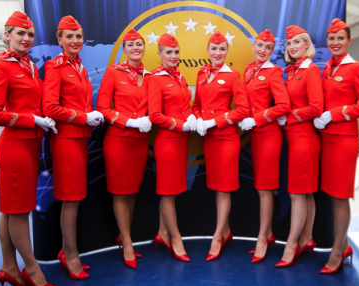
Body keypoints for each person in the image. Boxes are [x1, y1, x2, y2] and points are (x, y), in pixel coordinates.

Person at [0, 11, 58, 286]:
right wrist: (31, 119)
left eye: (30, 35)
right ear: (7, 36)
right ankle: (33, 269)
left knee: (9, 212)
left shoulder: (25, 64)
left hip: (27, 146)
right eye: (20, 34)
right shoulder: (0, 66)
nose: (26, 39)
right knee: (19, 213)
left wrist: (42, 119)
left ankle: (9, 268)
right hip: (15, 147)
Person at [43, 15, 103, 279]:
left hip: (80, 140)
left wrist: (92, 113)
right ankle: (69, 255)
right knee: (70, 198)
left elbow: (77, 101)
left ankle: (69, 251)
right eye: (70, 36)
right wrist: (83, 117)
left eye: (78, 36)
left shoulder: (79, 66)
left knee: (76, 197)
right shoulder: (55, 67)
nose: (75, 41)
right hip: (66, 140)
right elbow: (50, 108)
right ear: (59, 40)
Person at [314, 18, 359, 274]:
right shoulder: (326, 68)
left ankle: (338, 252)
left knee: (340, 197)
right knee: (330, 196)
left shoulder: (356, 67)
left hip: (343, 142)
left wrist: (335, 114)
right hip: (325, 140)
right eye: (331, 38)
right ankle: (345, 243)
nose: (335, 42)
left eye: (340, 38)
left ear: (349, 41)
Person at [96, 29, 152, 269]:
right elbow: (102, 109)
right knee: (120, 191)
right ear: (124, 49)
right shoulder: (113, 73)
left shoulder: (150, 77)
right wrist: (128, 120)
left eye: (139, 44)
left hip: (140, 142)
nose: (136, 48)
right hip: (119, 139)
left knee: (131, 191)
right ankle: (127, 242)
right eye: (131, 45)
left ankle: (124, 235)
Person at [193, 31, 250, 261]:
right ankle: (225, 231)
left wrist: (214, 121)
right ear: (208, 50)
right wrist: (197, 118)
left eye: (222, 49)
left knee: (224, 187)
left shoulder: (233, 75)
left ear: (227, 51)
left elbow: (243, 110)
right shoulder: (201, 73)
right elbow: (196, 104)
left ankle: (217, 236)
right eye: (214, 49)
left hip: (226, 138)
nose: (218, 53)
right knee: (217, 187)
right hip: (209, 138)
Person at [238, 29, 290, 263]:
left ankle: (262, 238)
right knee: (261, 187)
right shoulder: (249, 69)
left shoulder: (273, 71)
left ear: (272, 51)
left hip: (268, 135)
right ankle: (267, 234)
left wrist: (256, 118)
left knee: (265, 188)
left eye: (267, 47)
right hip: (255, 136)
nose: (262, 50)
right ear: (254, 46)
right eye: (259, 45)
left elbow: (283, 106)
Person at [276, 25, 323, 268]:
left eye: (297, 42)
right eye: (290, 43)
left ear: (307, 44)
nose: (293, 47)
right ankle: (307, 238)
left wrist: (290, 116)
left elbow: (316, 108)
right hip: (296, 138)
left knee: (296, 193)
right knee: (305, 193)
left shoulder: (310, 70)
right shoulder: (293, 71)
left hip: (303, 138)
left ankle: (292, 244)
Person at [148, 33, 197, 262]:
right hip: (167, 142)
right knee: (168, 193)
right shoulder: (156, 79)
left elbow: (184, 106)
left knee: (173, 191)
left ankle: (162, 233)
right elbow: (155, 115)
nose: (174, 56)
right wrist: (181, 124)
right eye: (169, 52)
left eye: (176, 52)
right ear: (159, 54)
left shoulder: (180, 77)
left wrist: (192, 118)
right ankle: (176, 239)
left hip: (181, 142)